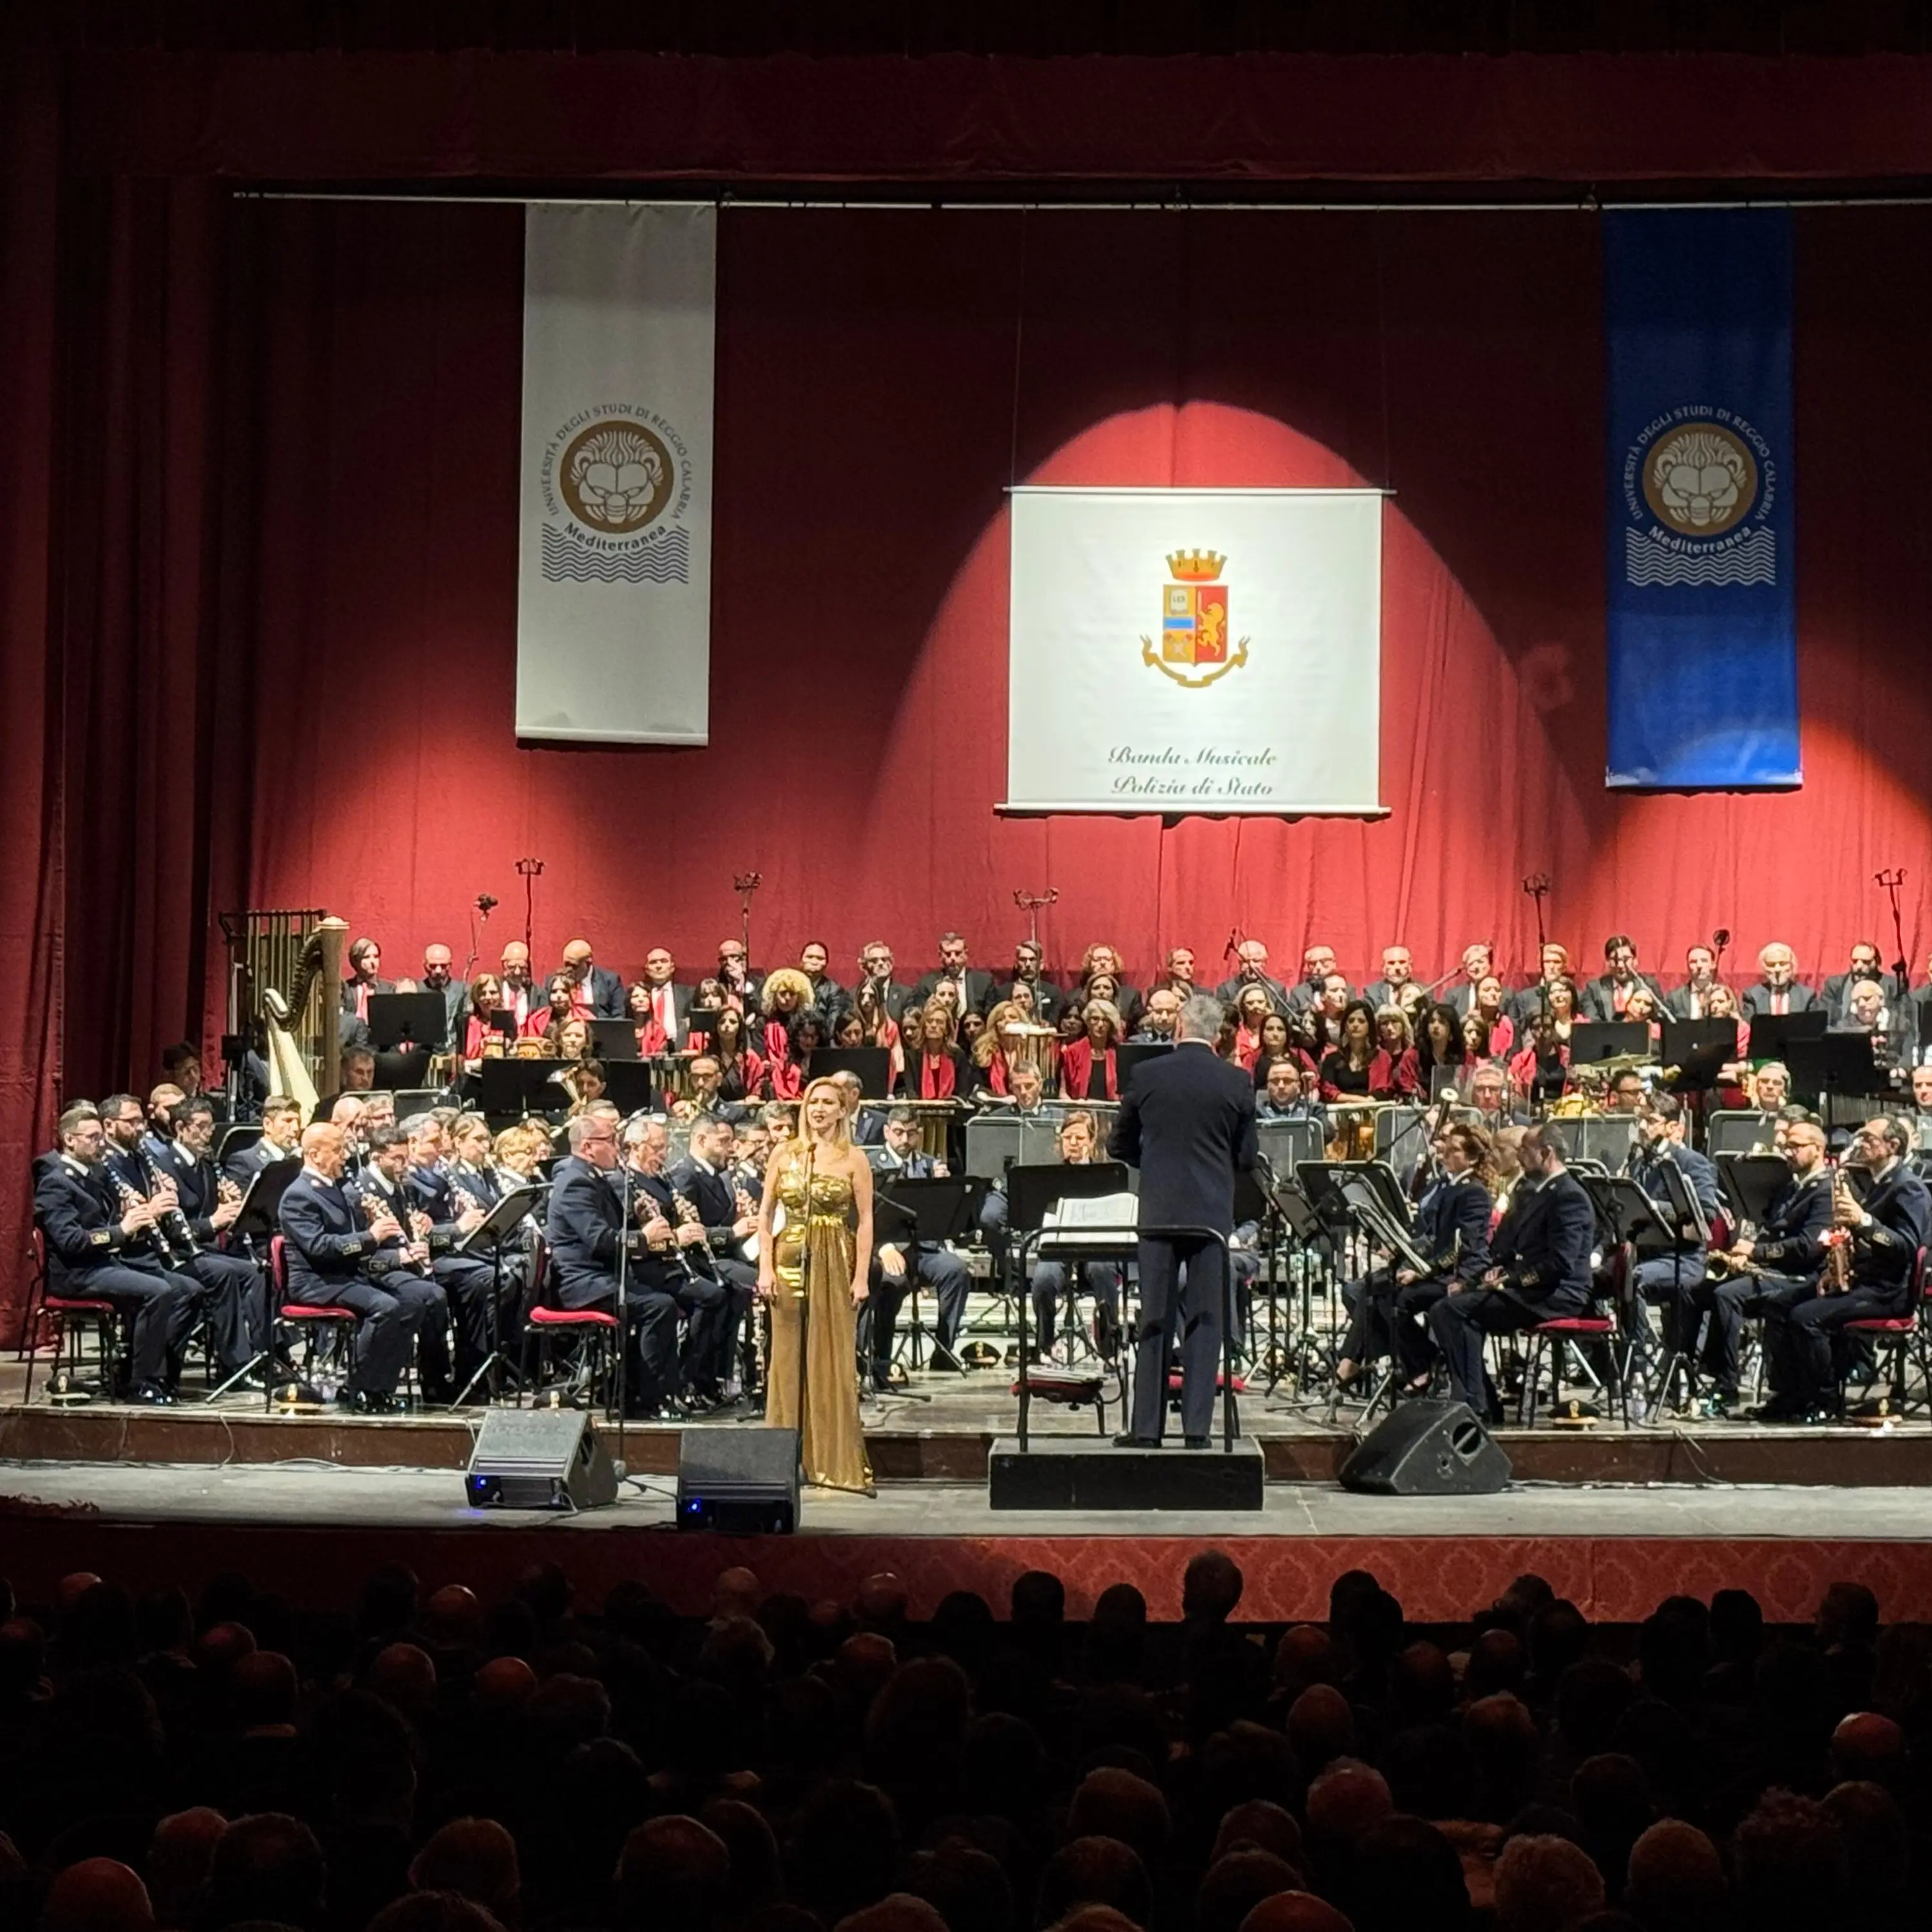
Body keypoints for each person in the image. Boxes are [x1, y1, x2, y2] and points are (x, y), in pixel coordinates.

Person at [1109, 993, 1258, 1449]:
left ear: (1177, 1028)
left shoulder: (1147, 1074)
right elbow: (1246, 1156)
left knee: (1153, 1316)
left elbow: (1118, 1144)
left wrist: (1153, 1161)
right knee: (1206, 1319)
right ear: (1218, 1035)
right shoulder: (1236, 1082)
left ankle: (1146, 1429)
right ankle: (1197, 1430)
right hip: (1211, 1215)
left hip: (1158, 1211)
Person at [34, 1101, 204, 1403]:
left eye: (101, 1136)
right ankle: (140, 1382)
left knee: (187, 1289)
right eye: (92, 1138)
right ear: (69, 1139)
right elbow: (71, 1241)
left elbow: (110, 1223)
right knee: (158, 1290)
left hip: (105, 1263)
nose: (100, 1144)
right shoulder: (55, 1183)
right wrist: (122, 1229)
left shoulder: (94, 1175)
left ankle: (157, 1372)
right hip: (77, 1274)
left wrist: (140, 1213)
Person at [756, 1076, 875, 1493]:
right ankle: (783, 1457)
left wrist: (861, 1276)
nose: (819, 1109)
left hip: (835, 1258)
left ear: (843, 1110)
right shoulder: (785, 1153)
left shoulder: (854, 1159)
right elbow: (766, 1213)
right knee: (786, 1357)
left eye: (828, 1102)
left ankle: (828, 1457)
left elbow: (865, 1223)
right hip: (790, 1256)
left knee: (829, 1355)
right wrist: (765, 1269)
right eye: (812, 1102)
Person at [1772, 1115, 1932, 1421]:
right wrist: (1837, 1269)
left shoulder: (1908, 1188)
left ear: (1893, 1145)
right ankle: (1788, 1395)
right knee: (1780, 1303)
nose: (1860, 1144)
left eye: (1869, 1139)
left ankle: (1824, 1401)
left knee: (1806, 1318)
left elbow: (1906, 1248)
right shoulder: (1877, 1184)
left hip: (1889, 1292)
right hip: (1863, 1281)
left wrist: (1864, 1221)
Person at [1428, 1123, 1593, 1419]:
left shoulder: (1569, 1196)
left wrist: (1510, 1281)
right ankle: (1481, 1401)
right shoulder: (1540, 1193)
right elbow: (1506, 1250)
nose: (1520, 1158)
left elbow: (1561, 1263)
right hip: (1533, 1289)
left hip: (1557, 1294)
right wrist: (1475, 1281)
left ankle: (1477, 1403)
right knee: (1449, 1308)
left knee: (1453, 1312)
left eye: (1525, 1152)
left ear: (1546, 1153)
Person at [279, 1122, 439, 1414]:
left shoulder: (339, 1188)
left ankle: (382, 1387)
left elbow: (353, 1237)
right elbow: (319, 1247)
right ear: (315, 1155)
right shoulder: (299, 1195)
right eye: (337, 1150)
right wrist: (370, 1236)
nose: (344, 1156)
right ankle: (358, 1387)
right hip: (317, 1281)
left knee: (414, 1302)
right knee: (385, 1306)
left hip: (347, 1275)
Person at [542, 1112, 688, 1419]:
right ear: (587, 1147)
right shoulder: (576, 1183)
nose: (618, 1148)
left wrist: (636, 1214)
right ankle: (641, 1399)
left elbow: (612, 1225)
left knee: (664, 1297)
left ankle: (639, 1388)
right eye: (610, 1141)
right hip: (582, 1282)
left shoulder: (593, 1177)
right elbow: (600, 1240)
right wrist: (643, 1238)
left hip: (605, 1275)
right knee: (658, 1307)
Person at [1336, 1121, 1493, 1396]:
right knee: (1373, 1286)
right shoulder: (1452, 1187)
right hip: (1438, 1268)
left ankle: (1413, 1362)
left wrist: (1422, 1273)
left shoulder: (1474, 1192)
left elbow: (1462, 1248)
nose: (1445, 1152)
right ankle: (1406, 1361)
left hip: (1459, 1274)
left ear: (1472, 1157)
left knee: (1391, 1295)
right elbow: (1436, 1239)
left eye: (1454, 1149)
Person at [1698, 1115, 1832, 1416]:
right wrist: (1743, 1255)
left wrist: (1758, 1252)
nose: (1788, 1152)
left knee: (1728, 1296)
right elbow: (1772, 1229)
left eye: (1796, 1146)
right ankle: (1707, 1372)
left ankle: (1727, 1385)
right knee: (1705, 1289)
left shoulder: (1826, 1190)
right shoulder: (1791, 1187)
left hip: (1805, 1275)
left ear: (1818, 1149)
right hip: (1778, 1268)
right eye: (1787, 1146)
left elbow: (1809, 1246)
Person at [151, 1096, 263, 1382]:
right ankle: (234, 1366)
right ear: (180, 1128)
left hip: (202, 1250)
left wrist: (231, 1205)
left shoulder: (205, 1165)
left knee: (255, 1272)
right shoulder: (163, 1165)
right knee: (224, 1273)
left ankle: (262, 1352)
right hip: (173, 1254)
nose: (206, 1134)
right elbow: (170, 1229)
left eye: (210, 1128)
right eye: (199, 1127)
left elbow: (214, 1214)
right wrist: (214, 1221)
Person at [623, 1118, 730, 1408]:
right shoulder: (626, 1183)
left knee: (720, 1294)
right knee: (710, 1298)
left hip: (670, 1262)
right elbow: (640, 1237)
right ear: (635, 1148)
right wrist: (677, 1236)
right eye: (657, 1148)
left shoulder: (659, 1180)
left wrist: (685, 1218)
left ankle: (694, 1377)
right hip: (646, 1267)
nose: (663, 1155)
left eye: (666, 1148)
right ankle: (679, 1380)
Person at [1622, 1095, 1720, 1399]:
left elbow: (1706, 1213)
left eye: (1650, 1121)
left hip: (1684, 1257)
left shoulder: (1692, 1162)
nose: (1642, 1127)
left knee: (1634, 1279)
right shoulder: (1638, 1164)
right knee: (1606, 1276)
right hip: (1649, 1255)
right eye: (1640, 1120)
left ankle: (1637, 1368)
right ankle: (1615, 1364)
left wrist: (1653, 1207)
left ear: (1673, 1127)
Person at [869, 1107, 971, 1381]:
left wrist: (944, 1190)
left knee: (956, 1271)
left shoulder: (929, 1164)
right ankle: (882, 1358)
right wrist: (884, 1247)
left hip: (924, 1247)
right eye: (899, 1133)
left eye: (911, 1134)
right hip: (887, 1248)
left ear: (919, 1134)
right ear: (887, 1132)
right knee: (892, 1283)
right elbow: (866, 1216)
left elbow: (944, 1217)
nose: (904, 1139)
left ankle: (944, 1350)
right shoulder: (871, 1164)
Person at [668, 1112, 761, 1399]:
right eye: (722, 1142)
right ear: (701, 1139)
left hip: (723, 1256)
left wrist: (743, 1216)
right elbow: (688, 1230)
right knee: (753, 1283)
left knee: (742, 1291)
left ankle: (717, 1374)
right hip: (700, 1260)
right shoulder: (686, 1174)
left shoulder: (717, 1175)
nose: (729, 1149)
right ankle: (701, 1375)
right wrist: (733, 1232)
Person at [1028, 1110, 1124, 1361]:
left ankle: (1108, 1346)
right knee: (1043, 1279)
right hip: (1059, 1248)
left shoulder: (1106, 1176)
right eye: (1068, 1137)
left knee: (1103, 1271)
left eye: (1080, 1138)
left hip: (1095, 1247)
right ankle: (1045, 1344)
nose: (1073, 1143)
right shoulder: (1048, 1178)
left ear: (1092, 1142)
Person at [1581, 935, 1663, 1021]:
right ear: (1607, 962)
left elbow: (1660, 1019)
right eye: (1614, 960)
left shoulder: (1650, 986)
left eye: (1626, 959)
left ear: (1635, 960)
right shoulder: (1594, 989)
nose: (1620, 965)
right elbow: (1591, 1025)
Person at [913, 931, 994, 1016]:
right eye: (948, 954)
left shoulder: (984, 982)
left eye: (958, 953)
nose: (953, 958)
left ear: (966, 953)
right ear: (940, 956)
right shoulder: (927, 984)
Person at [1060, 999, 1124, 1101]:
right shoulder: (1072, 1052)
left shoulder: (1120, 1053)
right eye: (1095, 1019)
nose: (1100, 1025)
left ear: (1111, 1025)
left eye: (1105, 1020)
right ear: (1088, 1022)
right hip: (1080, 1113)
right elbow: (1063, 1092)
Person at [228, 1094, 303, 1181]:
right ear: (268, 1124)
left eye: (298, 1122)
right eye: (288, 1121)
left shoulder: (299, 1160)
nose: (296, 1128)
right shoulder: (243, 1162)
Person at [1742, 943, 1819, 1017]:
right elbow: (1749, 1026)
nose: (1777, 969)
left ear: (1792, 965)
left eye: (1783, 964)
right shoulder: (1753, 996)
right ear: (1763, 968)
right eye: (1771, 965)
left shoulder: (1807, 996)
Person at [559, 938, 625, 1020]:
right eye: (566, 965)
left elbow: (618, 1017)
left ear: (588, 962)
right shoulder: (556, 982)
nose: (569, 970)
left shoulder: (610, 981)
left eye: (574, 966)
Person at [1255, 1056, 1326, 1128]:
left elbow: (1328, 1133)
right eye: (1275, 1081)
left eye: (1287, 1081)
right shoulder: (1257, 1113)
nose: (1281, 1086)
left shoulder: (1313, 1110)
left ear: (1298, 1086)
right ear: (1268, 1086)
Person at [1665, 944, 1725, 1019]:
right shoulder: (1675, 998)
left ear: (1713, 965)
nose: (1699, 965)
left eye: (1704, 961)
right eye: (1693, 962)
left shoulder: (1723, 996)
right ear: (1687, 966)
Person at [1360, 945, 1417, 1012]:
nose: (1397, 967)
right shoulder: (1373, 993)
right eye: (1391, 963)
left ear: (1410, 965)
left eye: (1402, 962)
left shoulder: (1424, 991)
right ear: (1383, 967)